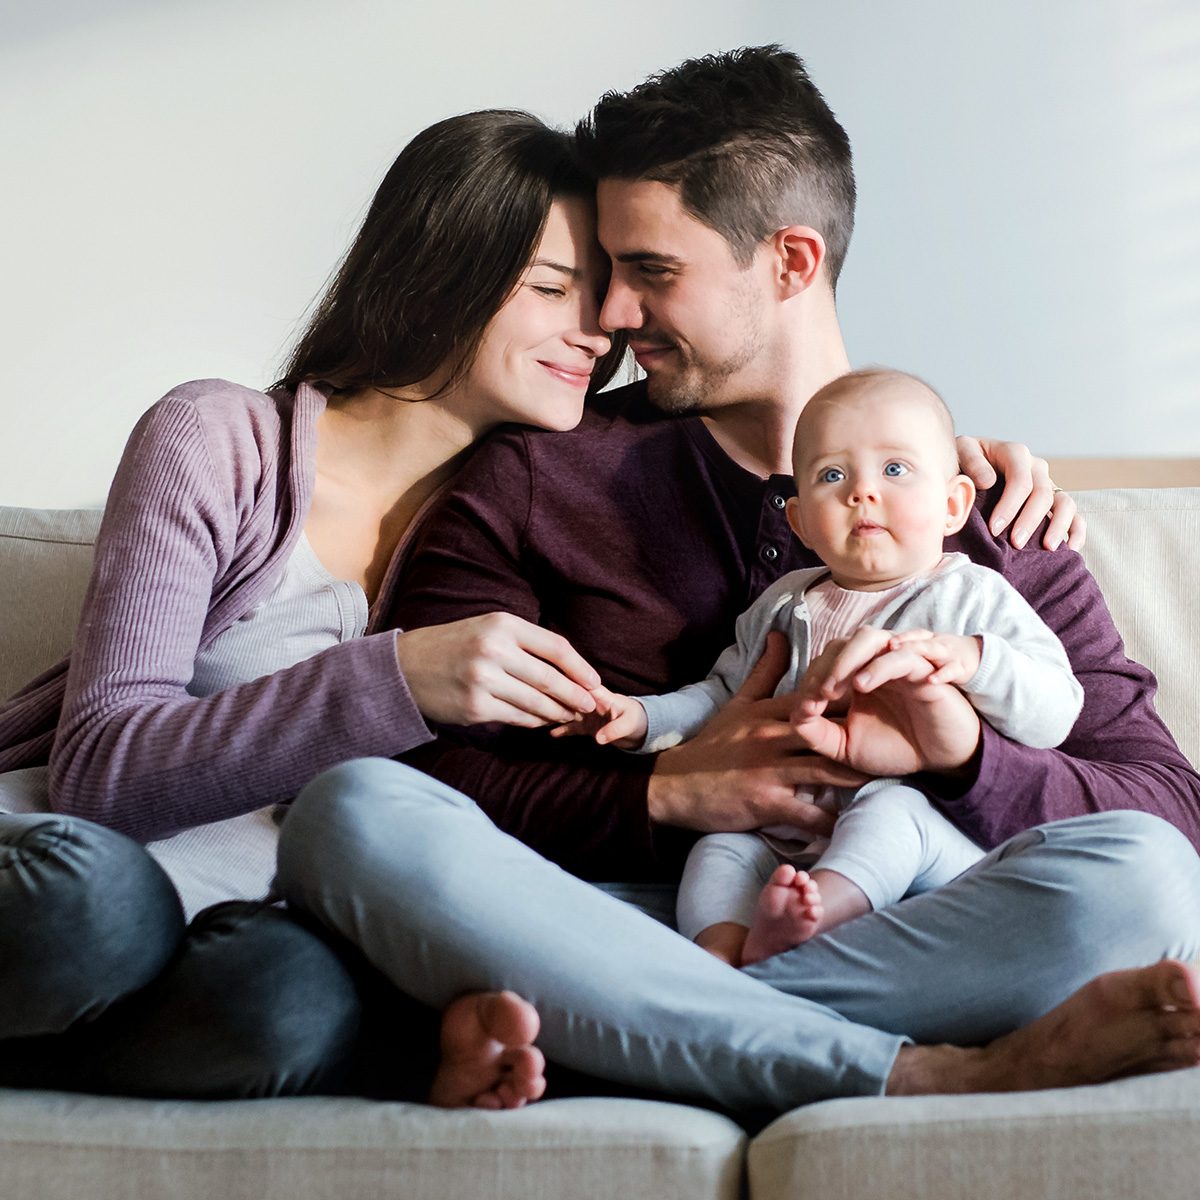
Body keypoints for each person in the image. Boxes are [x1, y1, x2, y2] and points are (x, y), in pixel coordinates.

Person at [275, 46, 1200, 1118]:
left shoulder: (979, 506)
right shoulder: (540, 471)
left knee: (1141, 878)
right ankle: (916, 1068)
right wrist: (664, 794)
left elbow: (1165, 808)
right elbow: (418, 766)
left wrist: (964, 759)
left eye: (652, 271)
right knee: (349, 809)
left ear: (792, 262)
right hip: (614, 918)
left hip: (906, 920)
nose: (613, 313)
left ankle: (644, 1036)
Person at [0, 109, 624, 1108]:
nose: (597, 330)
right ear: (442, 269)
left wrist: (942, 465)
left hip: (235, 929)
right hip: (63, 871)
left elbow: (752, 454)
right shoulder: (215, 439)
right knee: (95, 909)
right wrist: (395, 677)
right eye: (554, 289)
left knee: (290, 1008)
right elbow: (97, 776)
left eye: (606, 299)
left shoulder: (518, 531)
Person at [554, 367, 1083, 966]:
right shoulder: (784, 602)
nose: (863, 493)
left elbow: (1057, 709)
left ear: (954, 504)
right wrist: (641, 719)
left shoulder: (972, 597)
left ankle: (821, 914)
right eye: (833, 475)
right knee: (720, 847)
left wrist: (974, 660)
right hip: (783, 827)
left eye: (895, 470)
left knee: (892, 813)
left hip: (922, 831)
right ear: (802, 522)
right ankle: (727, 956)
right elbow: (720, 696)